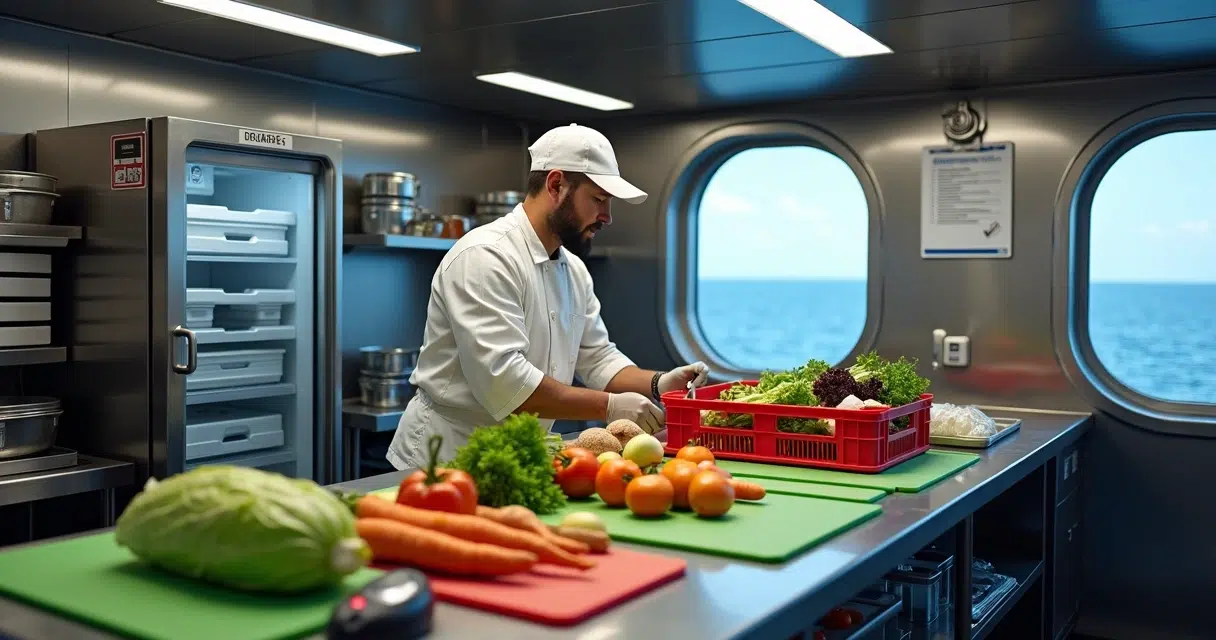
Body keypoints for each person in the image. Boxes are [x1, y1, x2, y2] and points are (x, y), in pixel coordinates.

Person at [387, 123, 708, 469]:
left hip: (515, 456)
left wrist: (658, 382)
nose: (608, 217)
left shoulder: (572, 269)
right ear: (556, 185)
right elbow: (507, 383)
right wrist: (610, 406)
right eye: (599, 199)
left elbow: (596, 357)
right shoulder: (486, 257)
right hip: (445, 458)